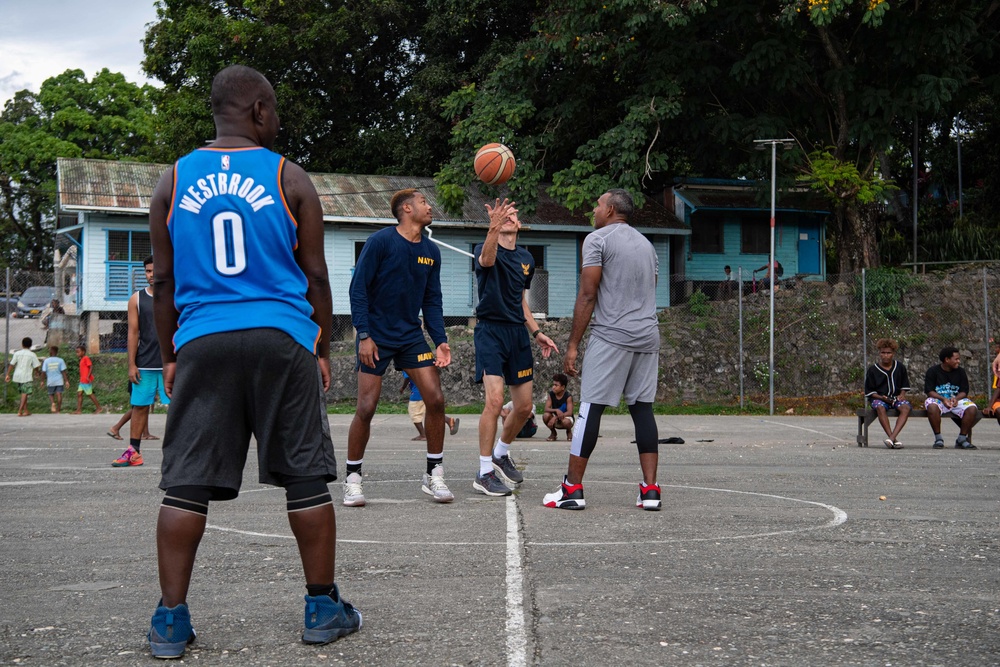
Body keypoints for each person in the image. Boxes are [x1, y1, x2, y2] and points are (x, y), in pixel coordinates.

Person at [144, 64, 360, 658]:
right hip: (280, 336)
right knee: (305, 476)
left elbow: (163, 280)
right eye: (276, 110)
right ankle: (321, 607)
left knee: (184, 482)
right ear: (260, 111)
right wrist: (320, 344)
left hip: (204, 339)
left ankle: (170, 620)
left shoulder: (173, 180)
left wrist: (169, 355)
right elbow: (316, 273)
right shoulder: (290, 176)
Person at [543, 189, 661, 511]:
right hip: (648, 336)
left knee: (589, 409)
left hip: (612, 336)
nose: (594, 210)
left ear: (609, 210)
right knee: (642, 410)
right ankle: (650, 490)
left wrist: (572, 346)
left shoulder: (597, 240)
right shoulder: (648, 246)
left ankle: (571, 489)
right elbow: (647, 290)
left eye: (597, 204)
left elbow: (587, 295)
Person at [346, 188, 454, 506]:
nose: (429, 206)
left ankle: (433, 474)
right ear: (406, 208)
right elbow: (358, 288)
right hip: (376, 336)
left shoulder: (431, 252)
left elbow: (432, 300)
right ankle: (352, 479)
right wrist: (364, 335)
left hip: (410, 337)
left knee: (435, 399)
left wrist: (441, 340)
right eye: (423, 202)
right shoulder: (381, 241)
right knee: (366, 407)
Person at [472, 199, 559, 496]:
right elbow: (485, 260)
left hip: (517, 334)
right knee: (494, 401)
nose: (508, 217)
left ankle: (500, 452)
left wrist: (537, 333)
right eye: (502, 215)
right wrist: (493, 229)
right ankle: (484, 472)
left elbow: (521, 302)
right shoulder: (486, 249)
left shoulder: (527, 259)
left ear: (519, 224)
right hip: (490, 331)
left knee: (523, 407)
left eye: (512, 215)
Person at [113, 256, 170, 467]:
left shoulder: (176, 296)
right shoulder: (136, 299)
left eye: (155, 270)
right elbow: (133, 333)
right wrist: (131, 364)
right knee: (139, 407)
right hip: (145, 364)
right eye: (147, 271)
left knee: (178, 408)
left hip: (171, 365)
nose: (152, 274)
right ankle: (134, 452)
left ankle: (180, 453)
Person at [924, 346, 978, 450]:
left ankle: (962, 439)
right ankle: (938, 439)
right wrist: (943, 399)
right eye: (956, 359)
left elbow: (964, 391)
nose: (959, 361)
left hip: (956, 400)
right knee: (931, 406)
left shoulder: (961, 372)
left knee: (972, 408)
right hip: (939, 400)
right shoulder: (933, 371)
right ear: (947, 360)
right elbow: (929, 391)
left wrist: (956, 399)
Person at [863, 338, 911, 449]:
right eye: (883, 353)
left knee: (905, 407)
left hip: (895, 398)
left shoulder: (900, 367)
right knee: (880, 407)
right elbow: (869, 391)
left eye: (888, 353)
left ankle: (892, 438)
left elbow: (904, 386)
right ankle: (892, 438)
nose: (886, 355)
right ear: (879, 353)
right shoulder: (873, 370)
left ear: (893, 353)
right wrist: (882, 398)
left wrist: (902, 394)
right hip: (879, 398)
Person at [400, 370, 459, 441]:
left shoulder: (406, 364)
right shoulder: (420, 362)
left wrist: (403, 387)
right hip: (428, 390)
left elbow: (408, 377)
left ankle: (423, 435)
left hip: (417, 393)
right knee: (431, 411)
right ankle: (449, 420)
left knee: (414, 413)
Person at [5, 337, 40, 416]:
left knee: (23, 393)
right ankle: (20, 410)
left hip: (17, 375)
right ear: (31, 345)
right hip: (26, 376)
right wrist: (37, 373)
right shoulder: (32, 354)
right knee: (25, 392)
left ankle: (25, 410)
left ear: (22, 344)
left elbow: (12, 364)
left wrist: (7, 374)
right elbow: (36, 365)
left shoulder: (17, 353)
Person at [543, 373, 575, 441]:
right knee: (545, 415)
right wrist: (556, 410)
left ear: (563, 387)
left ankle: (569, 431)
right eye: (553, 385)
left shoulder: (568, 396)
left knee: (566, 422)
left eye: (556, 385)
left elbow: (569, 412)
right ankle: (553, 433)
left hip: (566, 418)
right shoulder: (551, 394)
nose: (553, 387)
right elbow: (546, 408)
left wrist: (555, 417)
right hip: (555, 418)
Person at [73, 344, 102, 415]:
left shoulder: (86, 358)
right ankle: (79, 410)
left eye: (78, 352)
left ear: (83, 352)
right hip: (82, 380)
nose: (77, 353)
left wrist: (88, 376)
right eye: (76, 352)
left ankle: (99, 408)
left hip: (86, 380)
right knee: (79, 394)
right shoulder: (81, 359)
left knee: (90, 394)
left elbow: (91, 366)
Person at [41, 345, 69, 413]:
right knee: (59, 394)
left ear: (51, 352)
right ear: (57, 352)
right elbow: (63, 372)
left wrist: (42, 381)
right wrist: (66, 381)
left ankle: (53, 403)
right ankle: (58, 410)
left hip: (50, 381)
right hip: (59, 380)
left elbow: (43, 372)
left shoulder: (46, 361)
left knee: (51, 394)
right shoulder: (60, 360)